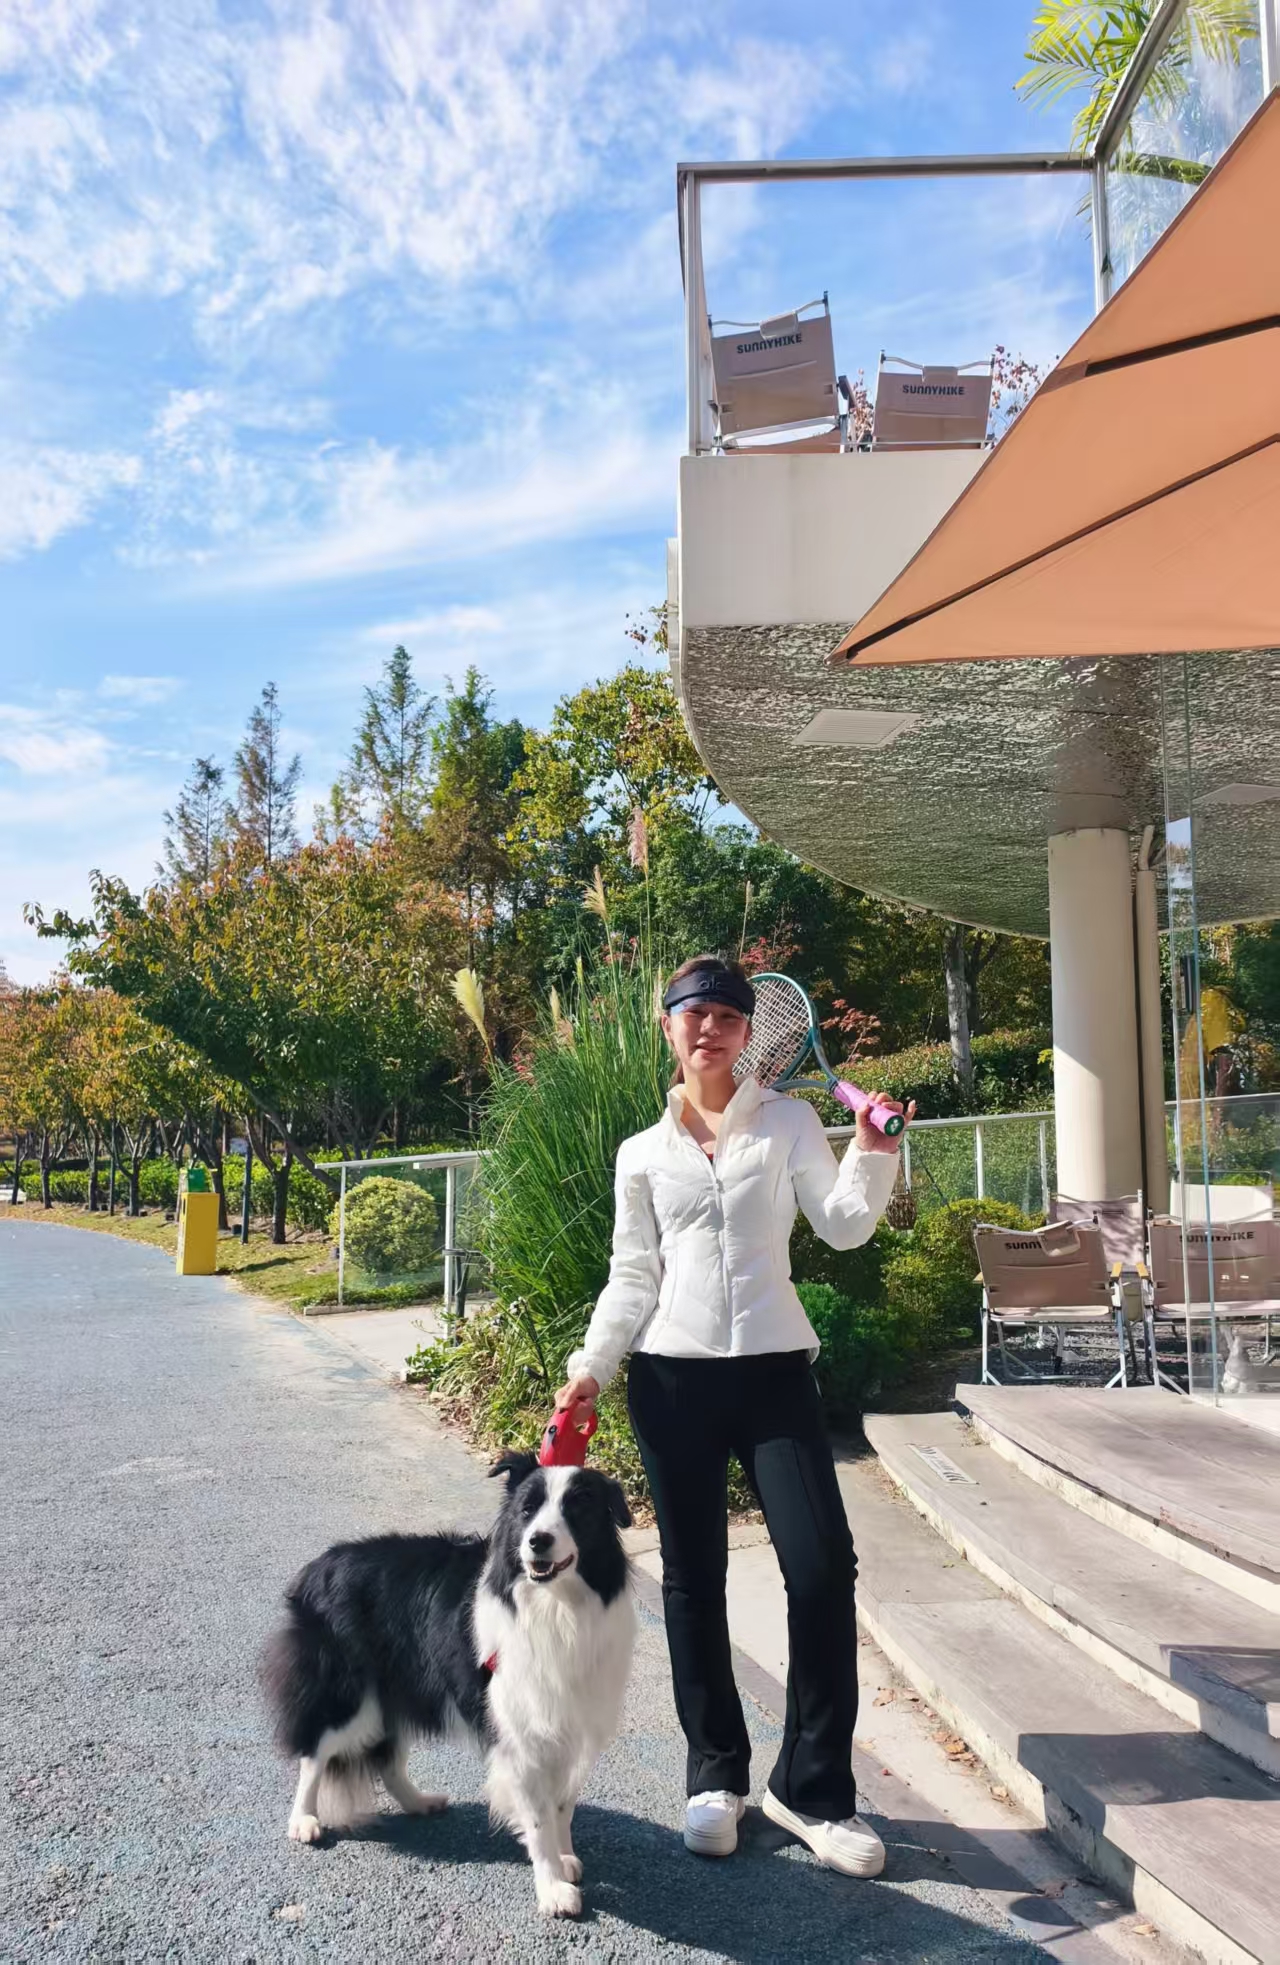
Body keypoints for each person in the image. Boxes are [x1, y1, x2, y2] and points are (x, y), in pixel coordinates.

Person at [554, 954, 912, 1877]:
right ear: (668, 1026)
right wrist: (591, 1367)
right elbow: (632, 1273)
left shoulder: (789, 1122)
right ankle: (715, 1773)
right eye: (693, 1012)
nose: (708, 1026)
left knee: (822, 1567)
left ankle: (812, 1789)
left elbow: (842, 1224)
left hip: (774, 1376)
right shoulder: (641, 1152)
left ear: (750, 1033)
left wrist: (874, 1151)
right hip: (670, 1381)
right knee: (692, 1577)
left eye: (726, 1014)